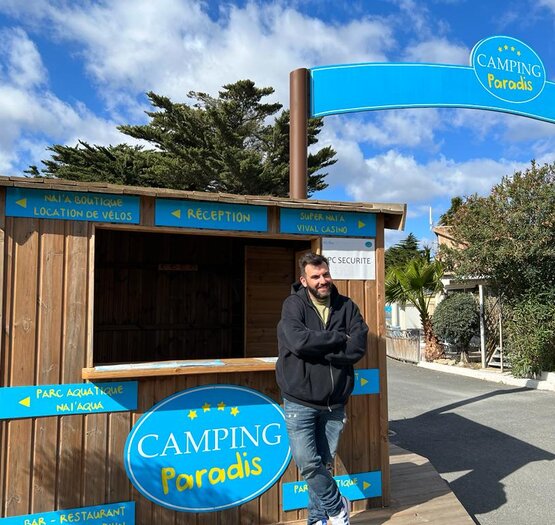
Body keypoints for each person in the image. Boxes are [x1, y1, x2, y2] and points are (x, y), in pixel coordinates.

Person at [276, 252, 369, 525]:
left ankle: (317, 519)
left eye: (325, 274)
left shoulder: (347, 306)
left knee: (324, 465)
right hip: (299, 401)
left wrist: (320, 349)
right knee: (307, 463)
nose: (322, 280)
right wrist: (339, 338)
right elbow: (298, 342)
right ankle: (336, 506)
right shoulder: (292, 306)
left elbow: (358, 347)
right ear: (303, 280)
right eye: (315, 276)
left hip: (335, 401)